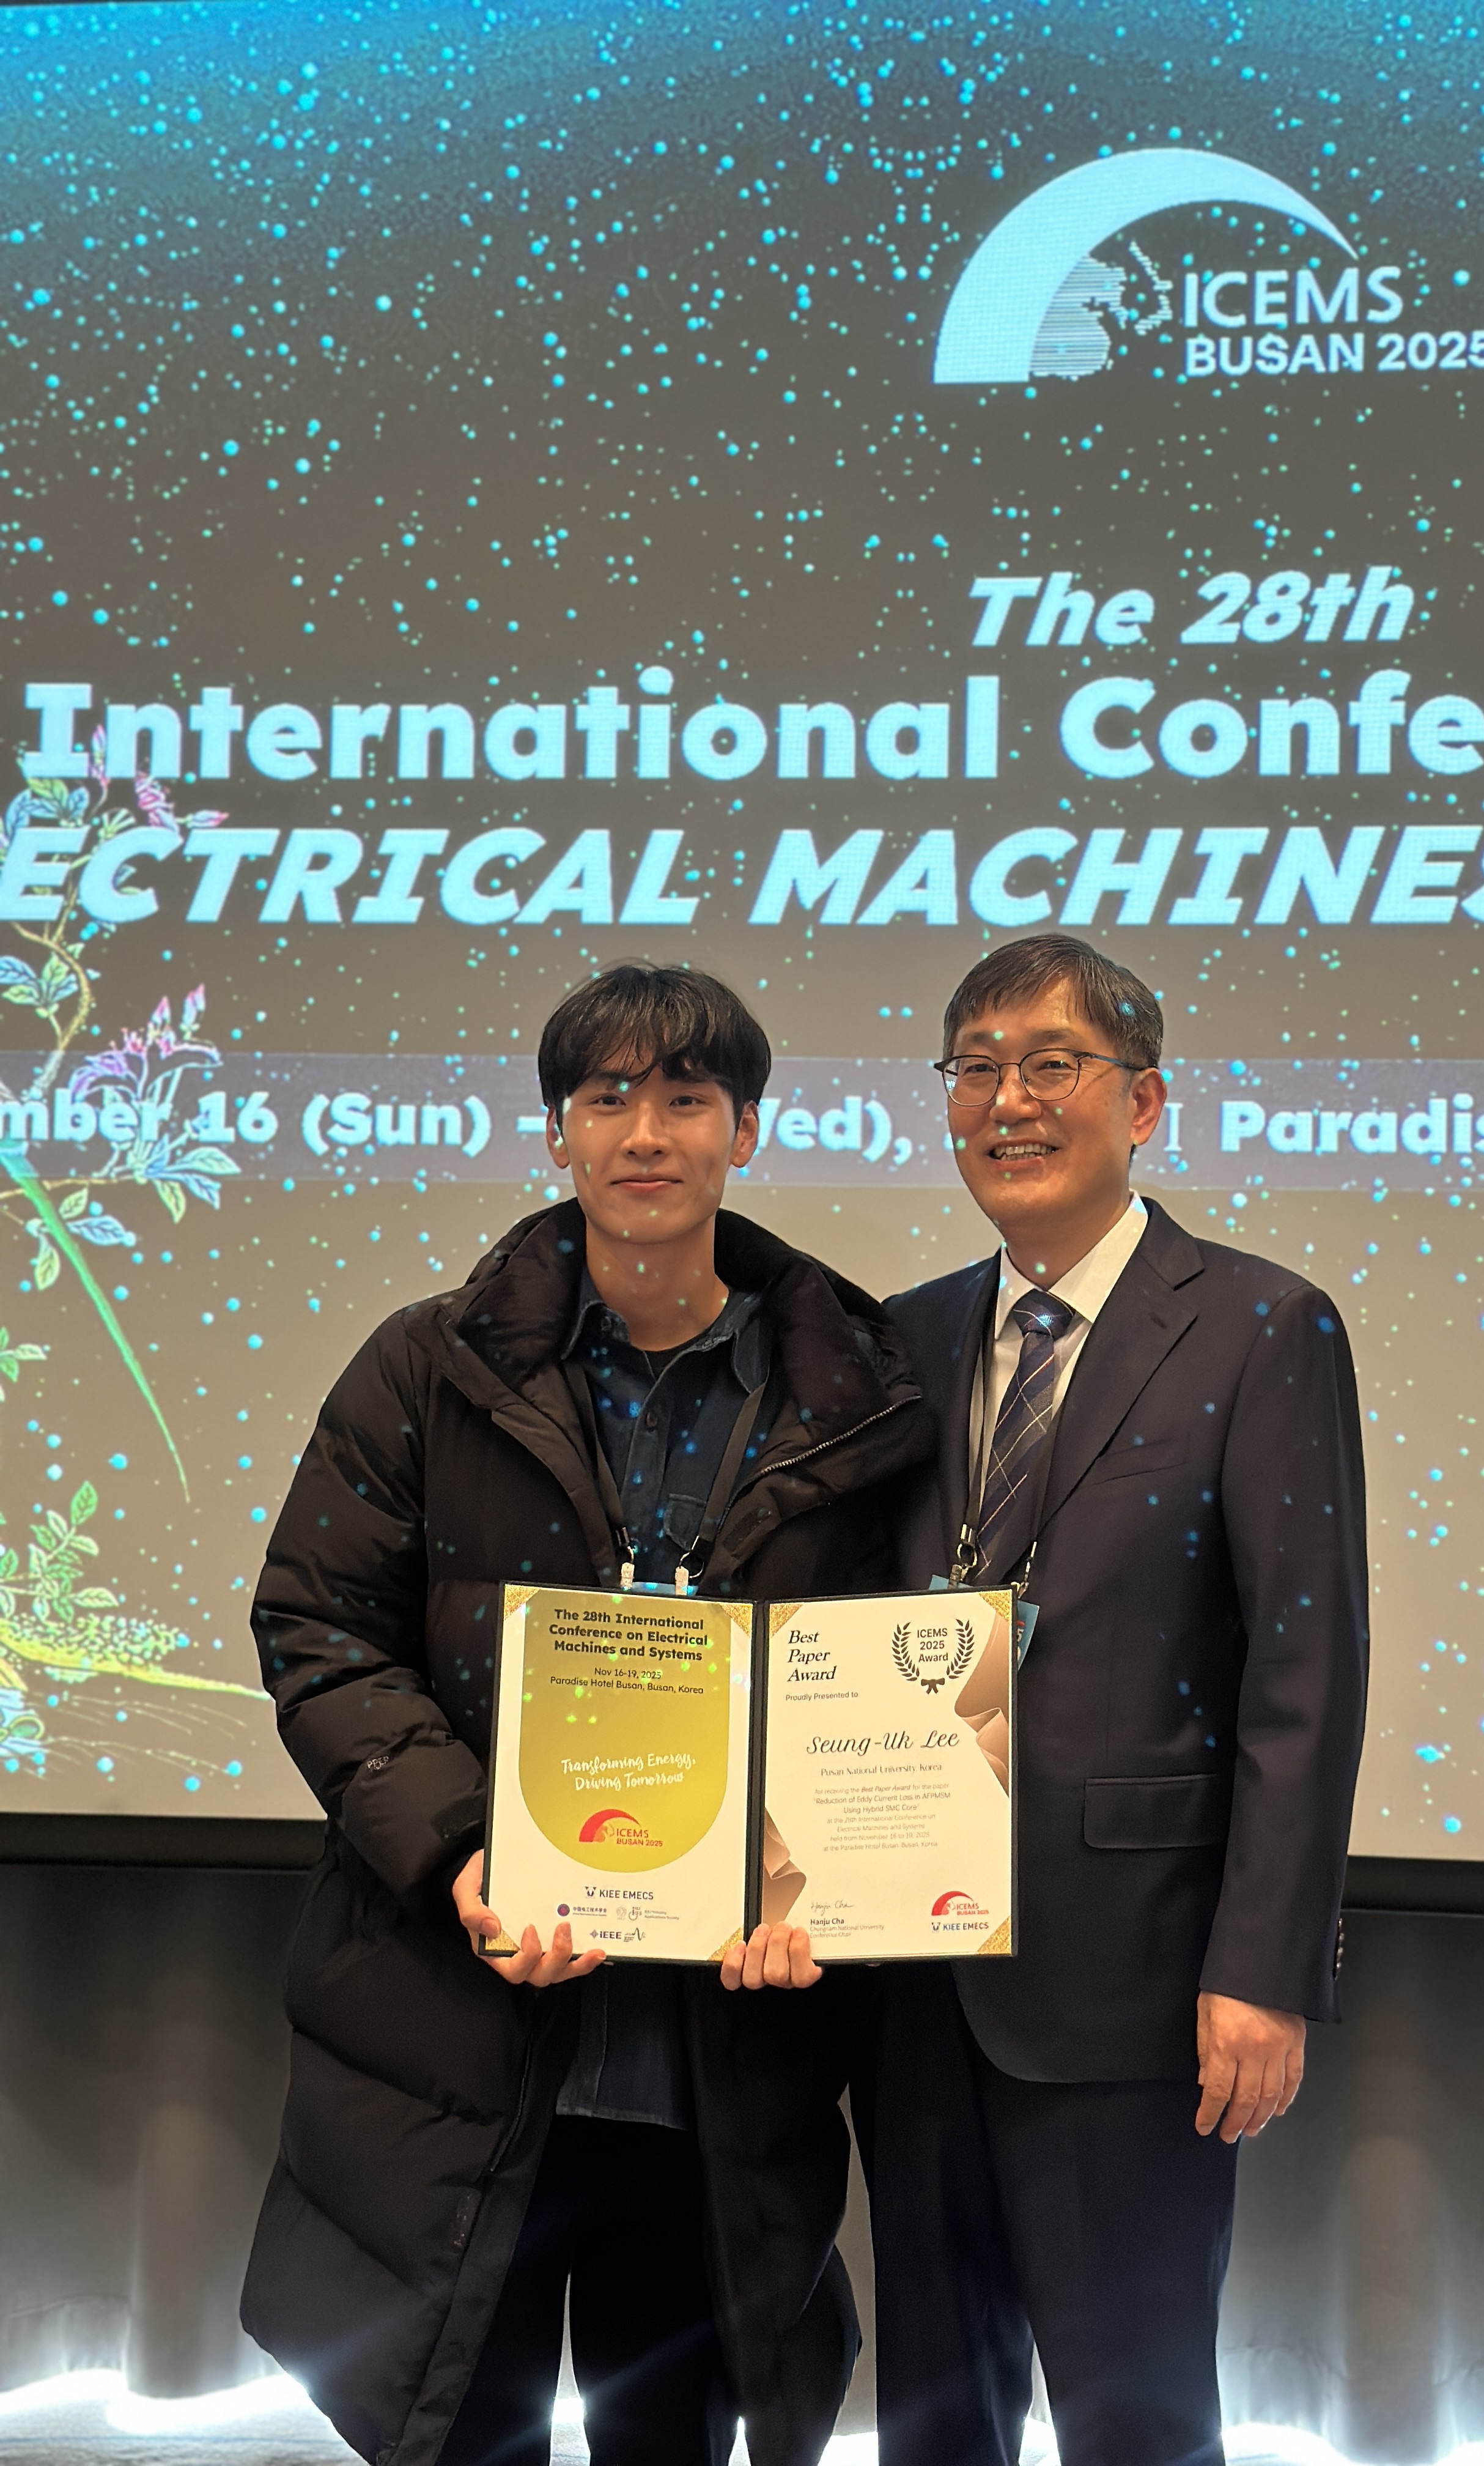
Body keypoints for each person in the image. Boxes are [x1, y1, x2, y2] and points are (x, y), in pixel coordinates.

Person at [240, 962, 932, 2466]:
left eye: (687, 1096)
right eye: (608, 1096)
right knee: (455, 2424)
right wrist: (463, 1852)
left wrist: (819, 1887)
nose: (647, 1132)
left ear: (748, 1129)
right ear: (557, 1129)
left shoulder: (856, 1397)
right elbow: (318, 1624)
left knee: (668, 2431)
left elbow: (892, 1685)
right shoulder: (424, 1366)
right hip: (460, 2029)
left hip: (716, 2065)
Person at [870, 933, 1370, 2466]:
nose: (1008, 1101)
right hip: (910, 1968)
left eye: (1051, 1065)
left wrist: (1263, 1970)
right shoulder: (899, 1338)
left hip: (1137, 1985)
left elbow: (1306, 1671)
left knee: (1134, 2415)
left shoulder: (1259, 1325)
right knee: (931, 2414)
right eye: (975, 1069)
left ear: (1144, 1101)